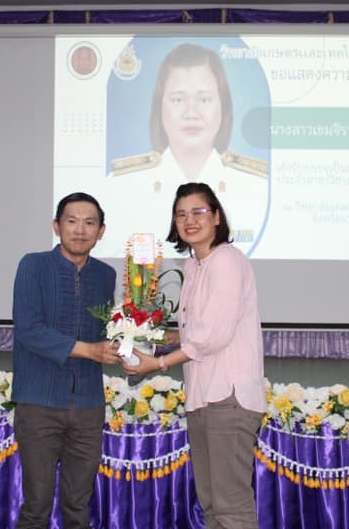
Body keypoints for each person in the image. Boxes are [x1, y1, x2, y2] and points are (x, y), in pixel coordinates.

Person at [123, 182, 265, 529]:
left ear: (216, 217)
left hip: (228, 397)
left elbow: (213, 336)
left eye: (198, 211)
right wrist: (152, 337)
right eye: (181, 214)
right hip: (204, 396)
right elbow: (197, 331)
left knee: (230, 505)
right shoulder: (195, 266)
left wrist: (158, 363)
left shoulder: (226, 260)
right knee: (212, 503)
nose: (189, 220)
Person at [11, 192, 120, 529]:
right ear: (57, 226)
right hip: (39, 403)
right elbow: (28, 330)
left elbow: (106, 331)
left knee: (78, 507)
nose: (80, 230)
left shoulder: (106, 275)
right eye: (71, 221)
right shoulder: (33, 265)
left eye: (90, 222)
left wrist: (130, 343)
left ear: (101, 231)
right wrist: (90, 350)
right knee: (37, 507)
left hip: (88, 406)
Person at [106, 44, 268, 256]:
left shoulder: (257, 187)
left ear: (223, 106)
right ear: (159, 107)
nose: (191, 112)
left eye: (204, 99)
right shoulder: (121, 187)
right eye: (178, 99)